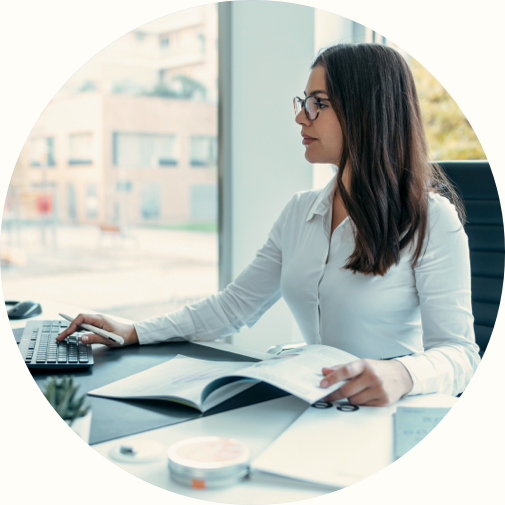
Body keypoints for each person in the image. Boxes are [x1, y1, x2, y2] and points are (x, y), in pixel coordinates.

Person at [57, 43, 480, 406]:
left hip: (388, 416)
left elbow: (461, 355)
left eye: (319, 103)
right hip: (312, 404)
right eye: (304, 102)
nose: (302, 117)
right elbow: (232, 308)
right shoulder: (299, 213)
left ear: (367, 111)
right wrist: (132, 331)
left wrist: (401, 375)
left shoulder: (431, 220)